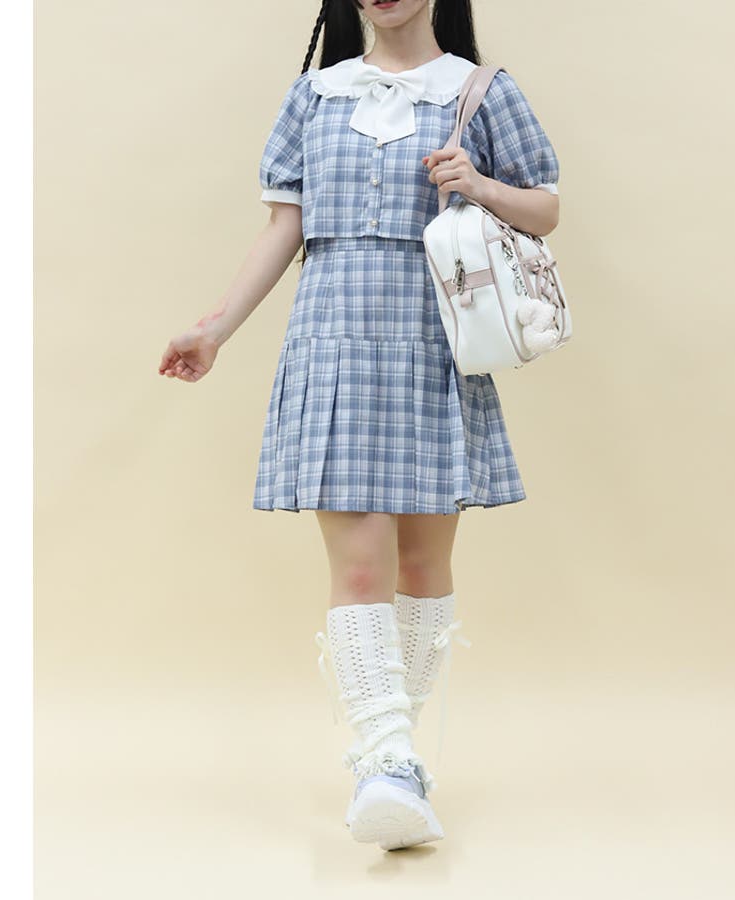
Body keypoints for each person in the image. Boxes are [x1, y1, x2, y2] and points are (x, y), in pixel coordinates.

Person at [157, 0, 560, 851]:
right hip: (332, 341)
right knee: (363, 565)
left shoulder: (481, 91)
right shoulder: (316, 94)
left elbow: (545, 208)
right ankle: (385, 762)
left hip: (432, 346)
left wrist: (478, 184)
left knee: (422, 566)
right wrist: (215, 329)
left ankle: (394, 767)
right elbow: (286, 225)